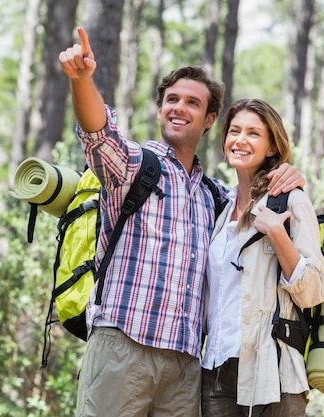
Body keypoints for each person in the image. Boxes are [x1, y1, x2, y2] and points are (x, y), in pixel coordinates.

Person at [59, 27, 305, 417]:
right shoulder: (134, 166)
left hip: (187, 364)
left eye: (192, 103)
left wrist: (287, 174)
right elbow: (97, 135)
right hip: (124, 344)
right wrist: (82, 80)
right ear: (159, 110)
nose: (179, 108)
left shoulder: (216, 197)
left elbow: (250, 202)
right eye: (171, 100)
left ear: (209, 120)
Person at [201, 98, 324, 417]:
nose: (240, 140)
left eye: (253, 133)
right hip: (217, 374)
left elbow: (313, 292)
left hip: (273, 374)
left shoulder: (292, 201)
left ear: (272, 147)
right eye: (234, 131)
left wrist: (278, 235)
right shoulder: (221, 208)